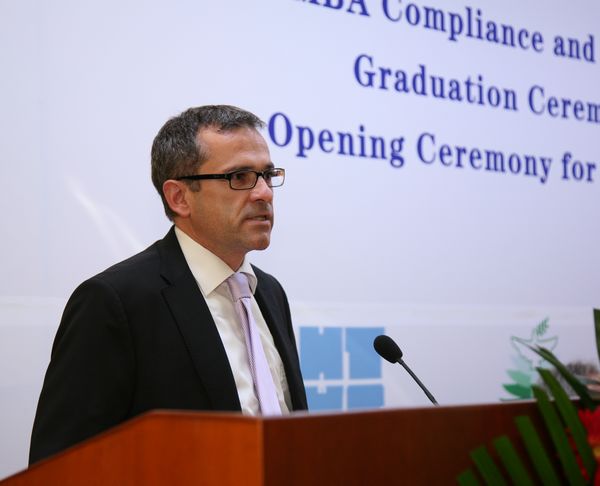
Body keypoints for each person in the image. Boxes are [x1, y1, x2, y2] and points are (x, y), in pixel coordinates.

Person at [29, 105, 308, 464]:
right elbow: (61, 464)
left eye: (268, 175)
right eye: (239, 177)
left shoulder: (269, 292)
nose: (264, 193)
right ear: (179, 197)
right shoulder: (115, 302)